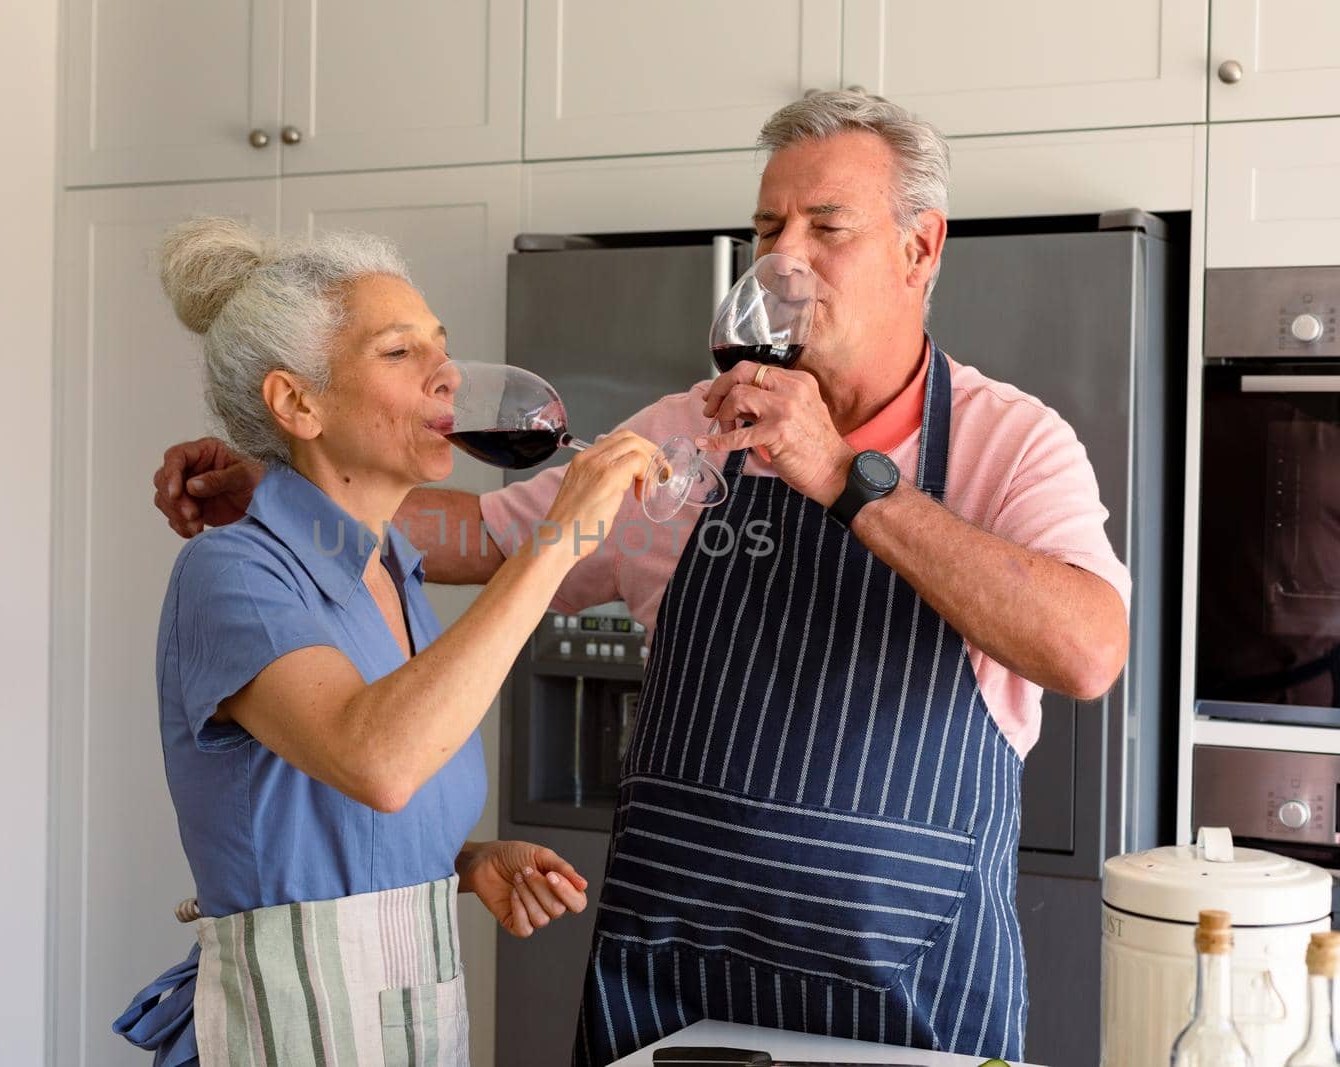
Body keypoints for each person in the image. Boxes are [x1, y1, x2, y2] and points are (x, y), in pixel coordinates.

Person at [151, 91, 1132, 1063]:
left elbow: (1086, 650)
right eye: (766, 225)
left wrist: (839, 475)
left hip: (905, 989)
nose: (782, 256)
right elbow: (480, 538)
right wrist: (287, 483)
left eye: (825, 226)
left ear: (920, 248)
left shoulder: (1012, 446)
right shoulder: (684, 430)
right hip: (672, 982)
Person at [116, 218, 657, 1067]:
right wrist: (559, 540)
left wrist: (463, 861)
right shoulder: (233, 574)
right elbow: (377, 758)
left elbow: (339, 821)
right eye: (401, 353)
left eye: (440, 346)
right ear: (298, 402)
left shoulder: (392, 569)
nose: (445, 375)